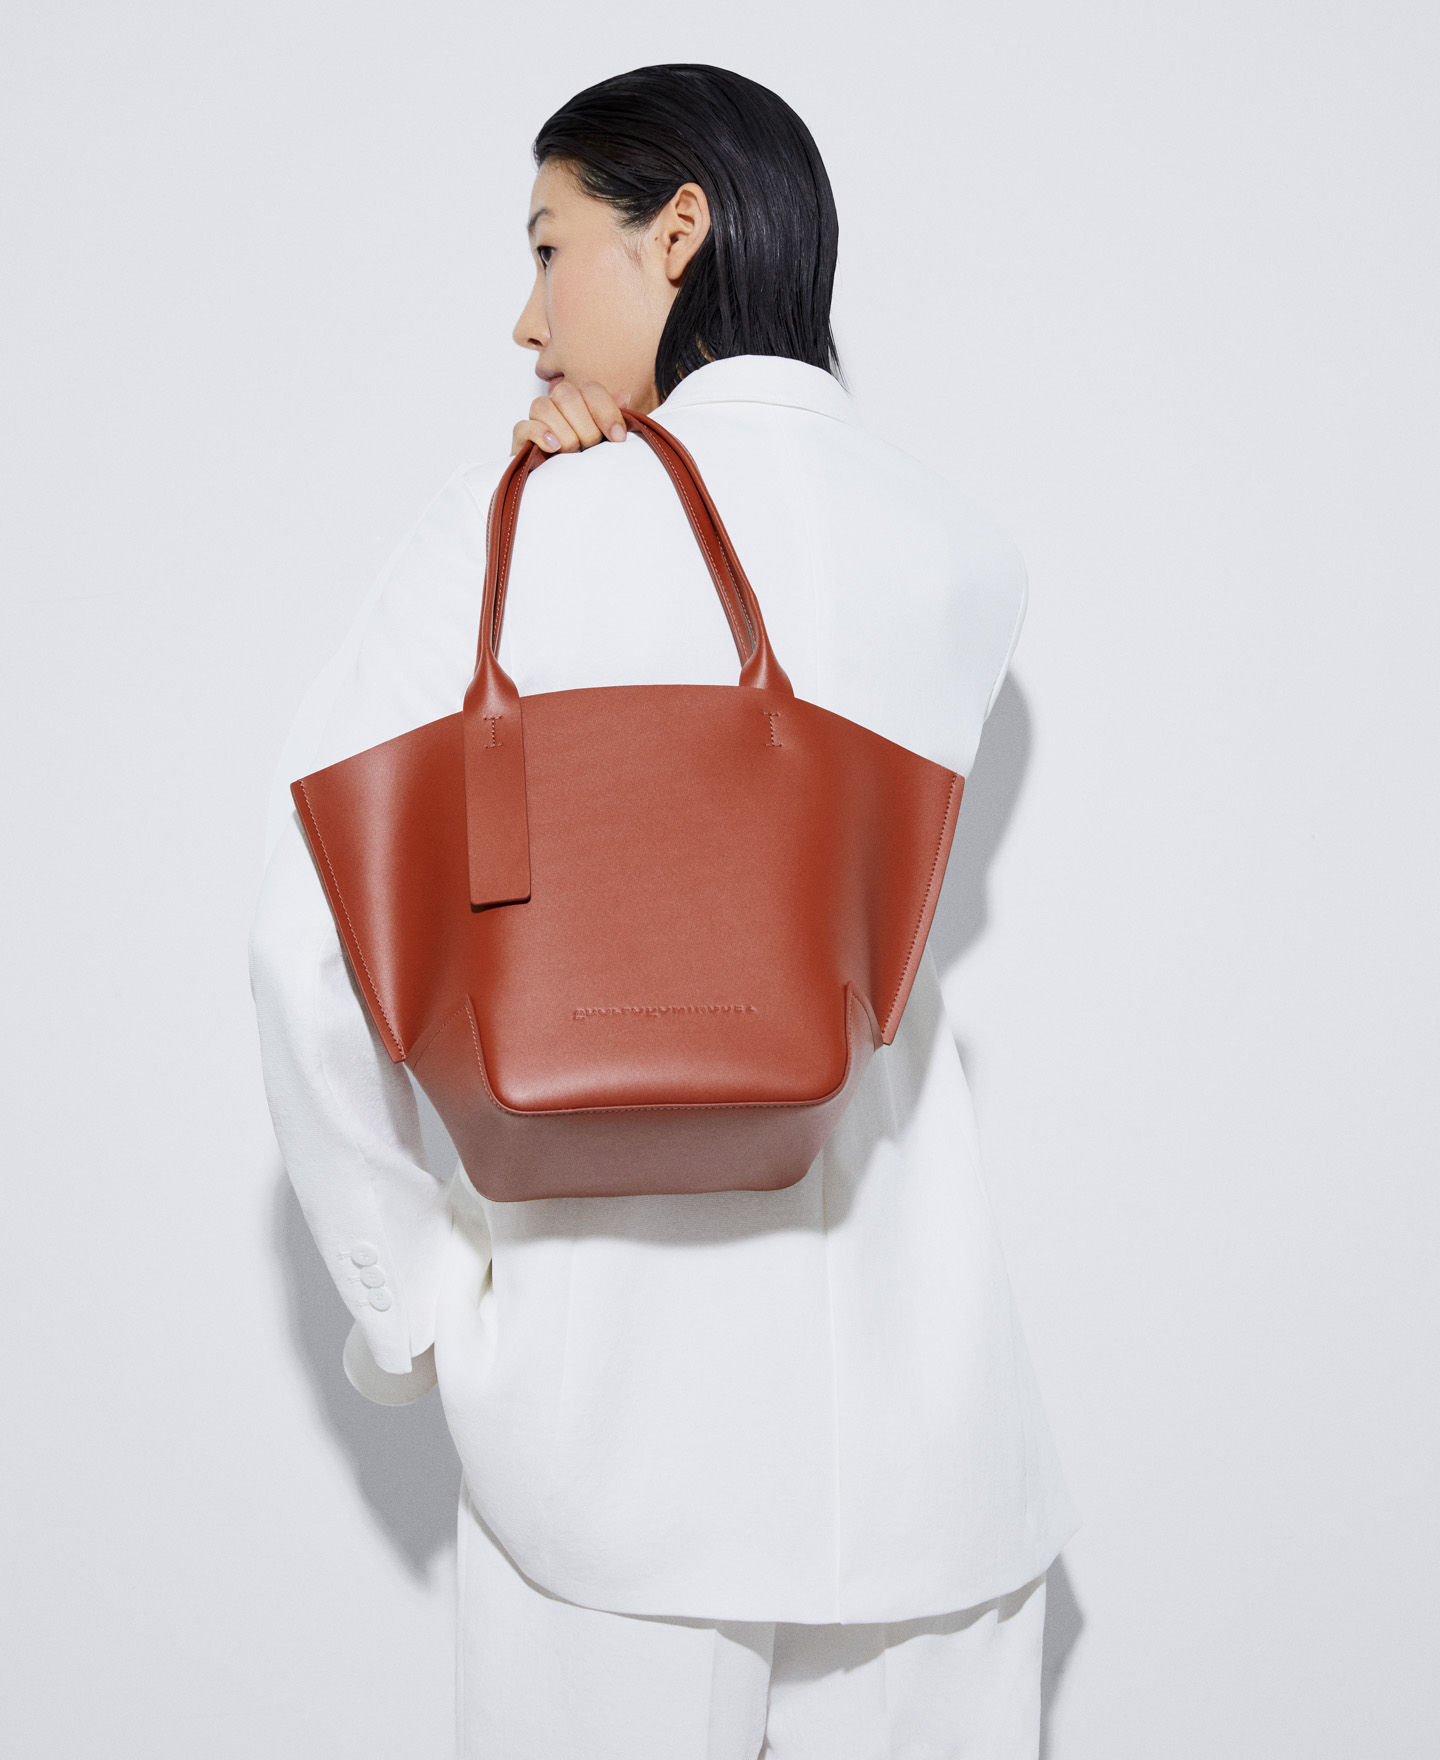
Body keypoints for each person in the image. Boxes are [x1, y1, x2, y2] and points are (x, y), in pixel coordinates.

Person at [250, 62, 1077, 1760]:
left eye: (550, 246)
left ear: (677, 231)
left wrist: (418, 1315)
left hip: (602, 1435)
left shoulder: (513, 532)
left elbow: (305, 947)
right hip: (931, 1441)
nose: (526, 316)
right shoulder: (965, 555)